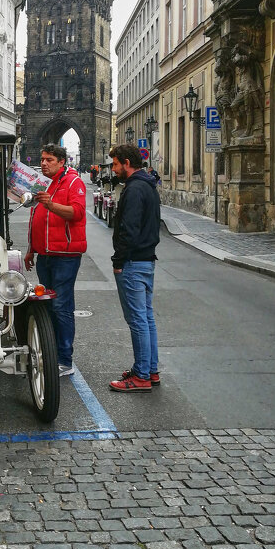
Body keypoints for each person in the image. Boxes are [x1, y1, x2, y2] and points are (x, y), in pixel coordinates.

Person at [24, 144, 87, 376]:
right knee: (48, 305)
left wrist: (51, 204)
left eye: (49, 160)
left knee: (61, 306)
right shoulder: (42, 182)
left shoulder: (73, 182)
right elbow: (35, 216)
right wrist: (31, 248)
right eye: (42, 159)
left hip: (65, 255)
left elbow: (77, 213)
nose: (43, 163)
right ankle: (50, 354)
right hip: (45, 254)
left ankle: (64, 360)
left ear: (62, 162)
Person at [108, 144, 160, 392]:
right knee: (146, 317)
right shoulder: (148, 185)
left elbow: (129, 229)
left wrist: (119, 261)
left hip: (133, 261)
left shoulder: (135, 189)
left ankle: (141, 376)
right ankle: (150, 370)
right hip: (146, 259)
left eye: (116, 164)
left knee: (137, 319)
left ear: (127, 163)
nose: (114, 169)